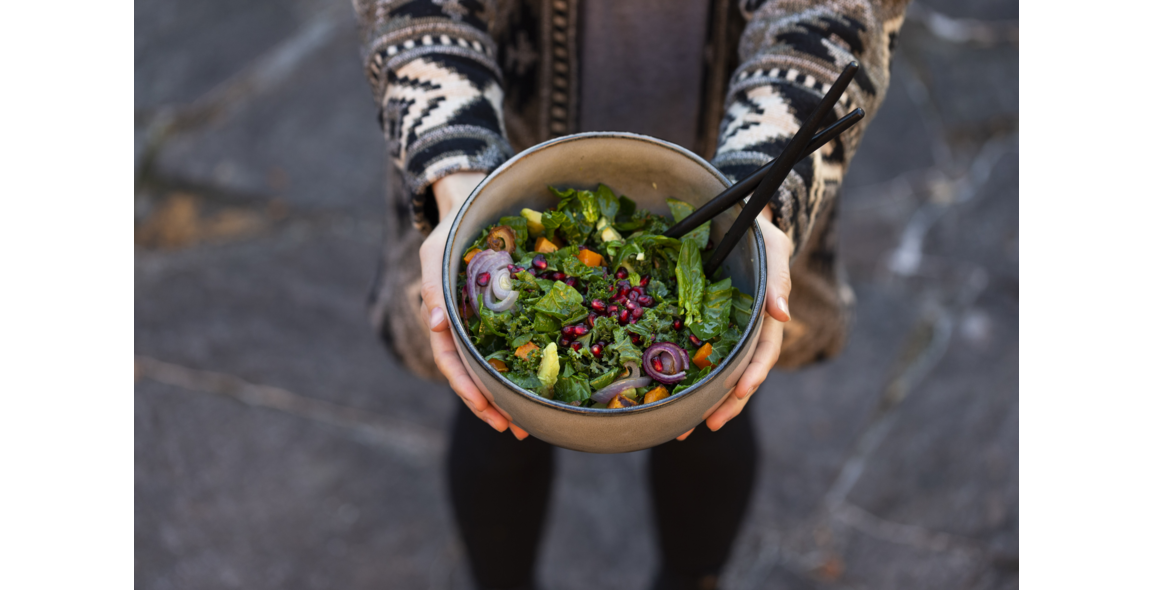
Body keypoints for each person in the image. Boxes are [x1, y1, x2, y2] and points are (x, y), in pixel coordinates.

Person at [354, 1, 910, 588]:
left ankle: (690, 579)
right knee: (495, 422)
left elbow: (834, 12)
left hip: (731, 140)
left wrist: (765, 180)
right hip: (508, 141)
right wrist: (459, 184)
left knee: (713, 415)